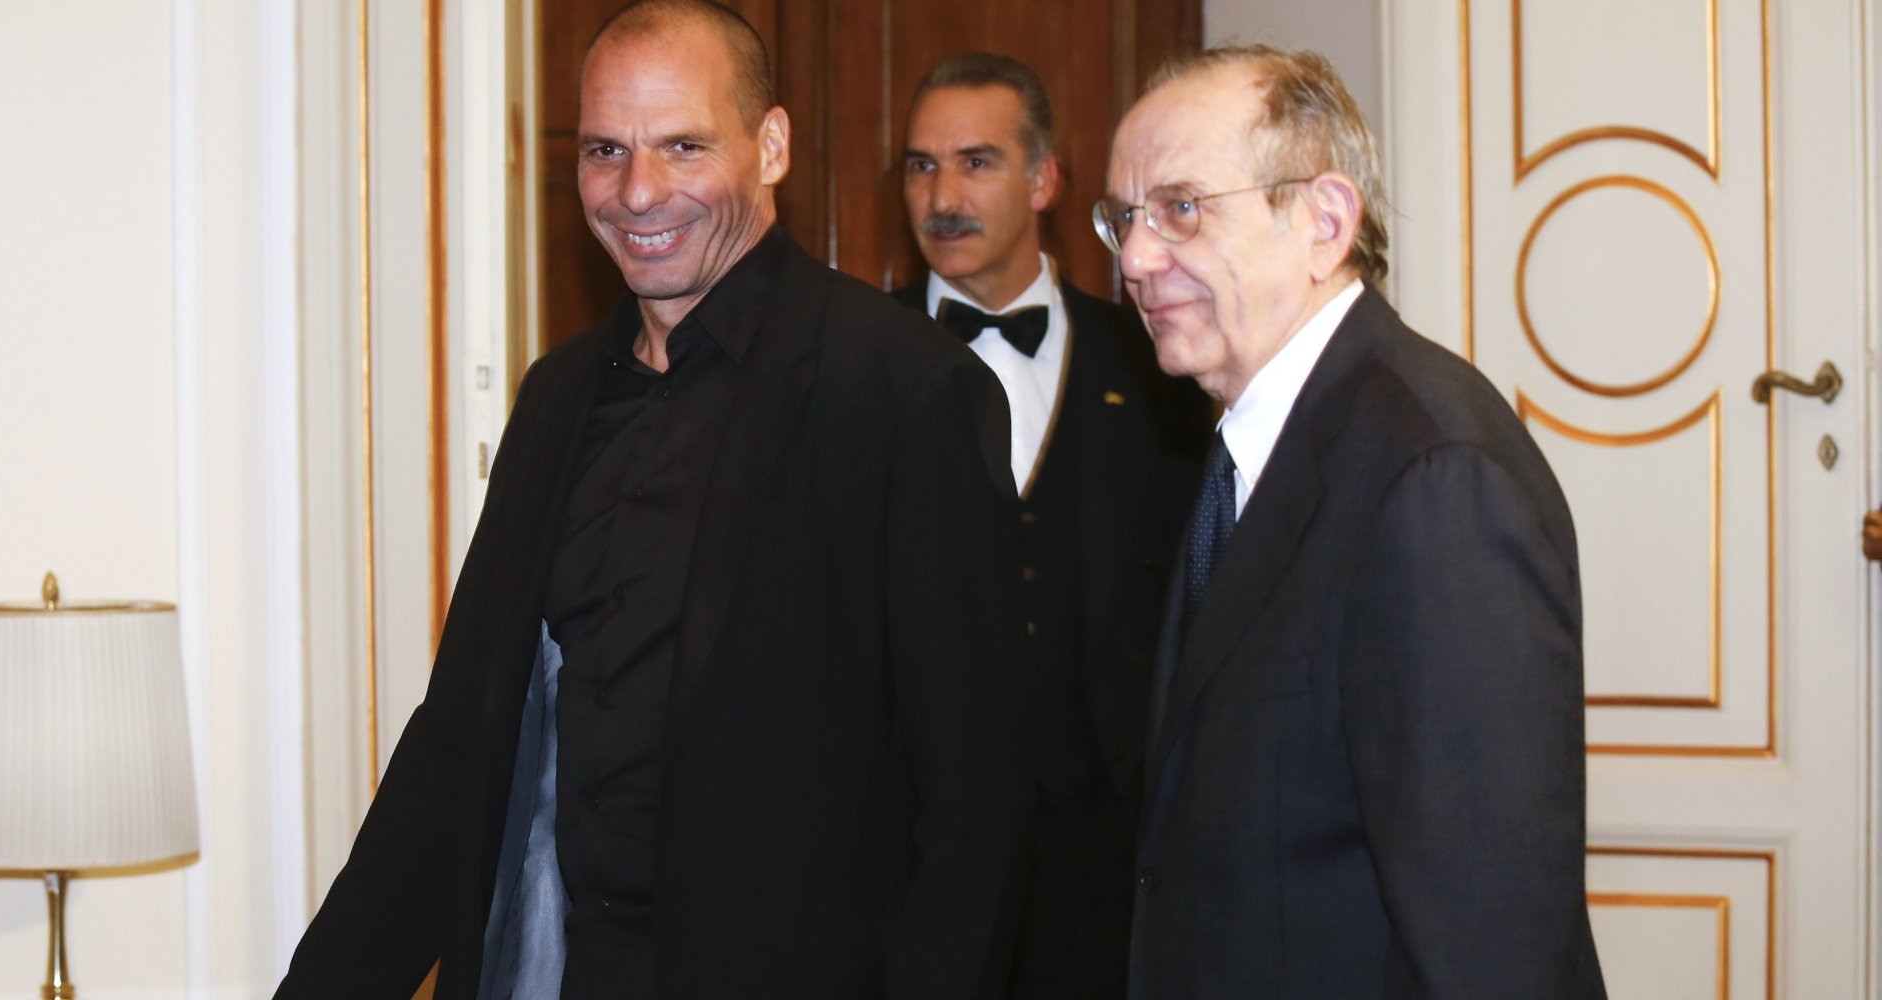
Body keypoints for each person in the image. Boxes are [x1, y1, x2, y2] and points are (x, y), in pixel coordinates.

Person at [275, 3, 1029, 998]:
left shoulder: (900, 391)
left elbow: (977, 800)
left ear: (769, 146)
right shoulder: (556, 395)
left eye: (682, 146)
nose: (636, 192)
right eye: (604, 150)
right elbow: (459, 740)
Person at [1100, 45, 1607, 998]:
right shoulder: (1251, 446)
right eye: (1122, 218)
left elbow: (1489, 928)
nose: (1133, 258)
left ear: (1323, 222)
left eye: (1180, 208)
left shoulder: (1433, 475)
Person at [892, 53, 1206, 1000]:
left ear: (1044, 180)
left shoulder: (1161, 361)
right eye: (919, 165)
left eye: (976, 162)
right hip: (915, 858)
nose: (942, 195)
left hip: (1111, 862)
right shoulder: (852, 370)